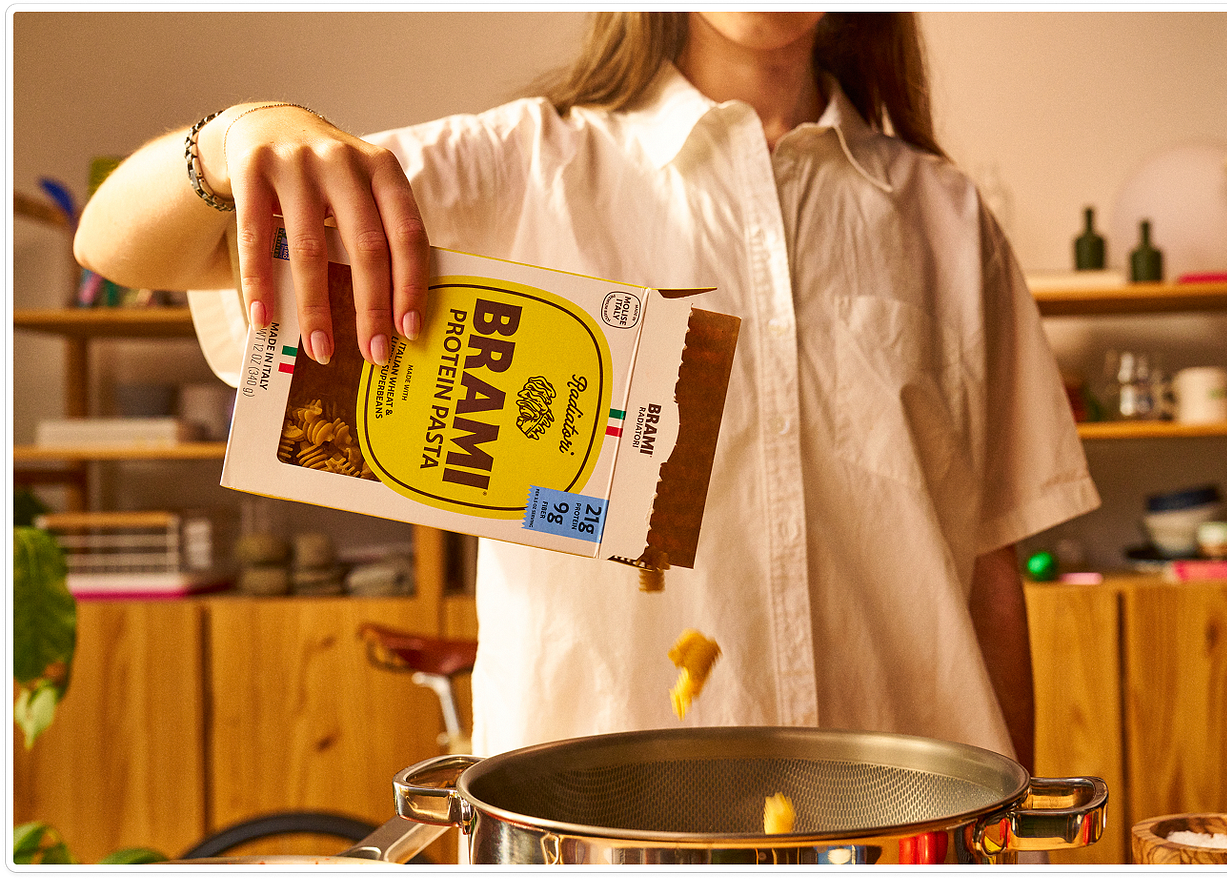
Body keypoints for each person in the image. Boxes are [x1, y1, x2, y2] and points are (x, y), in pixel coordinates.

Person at [75, 11, 1098, 773]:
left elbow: (988, 566)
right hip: (598, 819)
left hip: (903, 814)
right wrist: (246, 132)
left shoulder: (949, 217)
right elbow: (121, 242)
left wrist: (1010, 817)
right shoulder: (521, 167)